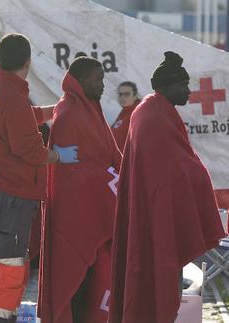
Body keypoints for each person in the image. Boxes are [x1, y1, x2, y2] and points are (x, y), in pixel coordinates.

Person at [108, 51, 225, 323]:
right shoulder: (155, 115)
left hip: (153, 212)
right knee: (157, 283)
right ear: (168, 85)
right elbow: (176, 170)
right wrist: (198, 178)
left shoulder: (154, 109)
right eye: (183, 85)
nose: (188, 91)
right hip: (156, 216)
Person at [0, 33, 78, 323]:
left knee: (6, 261)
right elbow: (29, 150)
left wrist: (49, 112)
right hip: (10, 193)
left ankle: (2, 314)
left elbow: (19, 117)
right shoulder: (11, 95)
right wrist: (58, 156)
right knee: (9, 264)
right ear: (28, 62)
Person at [37, 56, 122, 323]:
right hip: (75, 217)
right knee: (75, 285)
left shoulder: (91, 108)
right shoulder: (69, 112)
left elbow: (111, 154)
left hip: (96, 210)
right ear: (83, 79)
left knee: (95, 284)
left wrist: (127, 177)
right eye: (98, 79)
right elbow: (71, 174)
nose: (102, 85)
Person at [111, 81, 141, 152]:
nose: (122, 97)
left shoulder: (139, 113)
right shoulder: (126, 109)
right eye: (120, 94)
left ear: (135, 95)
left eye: (127, 94)